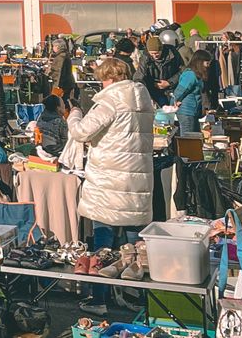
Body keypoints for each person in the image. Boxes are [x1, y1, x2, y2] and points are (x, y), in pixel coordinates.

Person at [68, 58, 154, 316]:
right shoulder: (143, 98)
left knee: (103, 242)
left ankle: (99, 298)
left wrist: (74, 114)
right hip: (136, 181)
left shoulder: (110, 100)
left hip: (109, 181)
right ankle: (134, 296)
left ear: (108, 78)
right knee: (134, 246)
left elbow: (82, 132)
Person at [136, 36, 183, 107]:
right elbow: (140, 75)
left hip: (172, 89)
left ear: (162, 49)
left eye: (157, 53)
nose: (155, 56)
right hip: (153, 90)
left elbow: (182, 70)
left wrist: (169, 82)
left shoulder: (173, 54)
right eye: (152, 53)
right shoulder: (145, 58)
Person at [174, 49, 212, 134]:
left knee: (195, 136)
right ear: (200, 62)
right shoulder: (190, 75)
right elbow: (180, 90)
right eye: (207, 63)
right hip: (186, 112)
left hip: (193, 111)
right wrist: (175, 102)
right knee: (188, 138)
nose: (208, 66)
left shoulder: (196, 75)